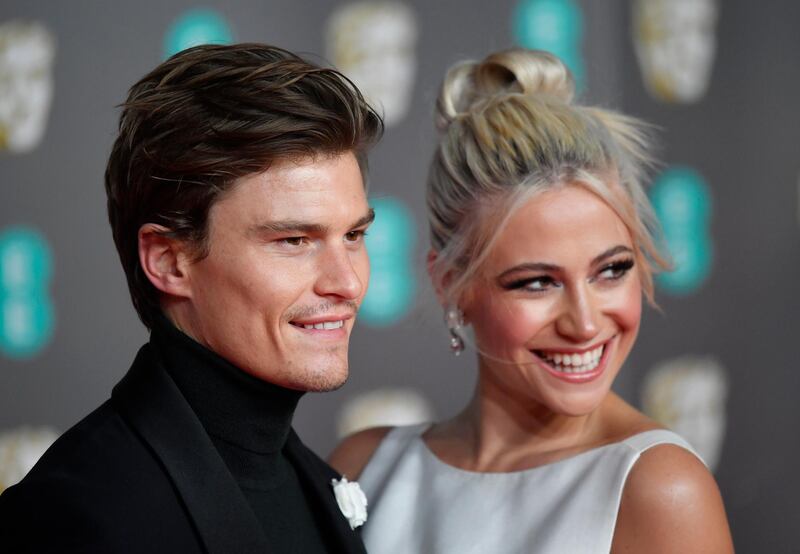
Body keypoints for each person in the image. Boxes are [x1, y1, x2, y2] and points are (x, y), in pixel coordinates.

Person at [330, 48, 734, 553]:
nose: (585, 324)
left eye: (611, 270)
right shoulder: (364, 468)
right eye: (537, 282)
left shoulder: (659, 489)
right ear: (451, 284)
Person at [0, 43, 382, 553]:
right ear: (167, 260)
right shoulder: (74, 516)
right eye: (294, 241)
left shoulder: (317, 484)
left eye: (354, 236)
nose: (348, 282)